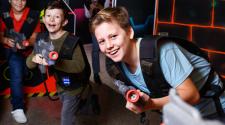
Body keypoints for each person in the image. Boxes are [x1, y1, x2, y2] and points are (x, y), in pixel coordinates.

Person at [90, 7, 225, 122]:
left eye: (113, 36)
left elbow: (191, 95)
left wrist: (151, 104)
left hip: (210, 103)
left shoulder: (164, 52)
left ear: (129, 32)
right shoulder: (113, 64)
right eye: (101, 41)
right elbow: (123, 85)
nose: (108, 46)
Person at [26, 1, 91, 125]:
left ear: (64, 22)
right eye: (48, 16)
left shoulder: (71, 41)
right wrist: (34, 58)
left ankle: (83, 100)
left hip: (74, 87)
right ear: (43, 19)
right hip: (60, 84)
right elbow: (29, 64)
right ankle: (81, 105)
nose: (52, 19)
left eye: (57, 16)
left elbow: (80, 66)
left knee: (66, 119)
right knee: (69, 109)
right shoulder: (41, 38)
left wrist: (55, 62)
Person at [0, 0, 41, 123]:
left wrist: (26, 43)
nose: (19, 2)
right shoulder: (3, 14)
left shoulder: (34, 15)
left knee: (24, 71)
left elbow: (34, 38)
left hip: (28, 50)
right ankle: (17, 108)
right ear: (9, 0)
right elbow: (0, 35)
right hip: (10, 50)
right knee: (17, 73)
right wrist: (6, 40)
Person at [84, 0, 104, 85]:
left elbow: (109, 14)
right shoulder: (87, 3)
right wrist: (91, 9)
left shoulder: (103, 2)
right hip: (94, 28)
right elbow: (87, 16)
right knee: (95, 50)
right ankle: (96, 74)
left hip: (105, 27)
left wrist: (101, 9)